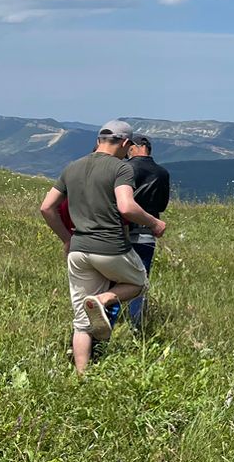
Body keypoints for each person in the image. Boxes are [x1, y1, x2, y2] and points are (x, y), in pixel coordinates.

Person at [39, 120, 168, 371]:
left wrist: (66, 238)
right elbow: (127, 207)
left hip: (77, 250)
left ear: (98, 140)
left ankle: (81, 376)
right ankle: (104, 299)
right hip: (110, 247)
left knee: (81, 321)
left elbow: (46, 208)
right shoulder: (121, 169)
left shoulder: (72, 167)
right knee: (139, 283)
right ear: (126, 144)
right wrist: (154, 223)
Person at [125, 135, 171, 328]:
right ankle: (136, 324)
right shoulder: (162, 173)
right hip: (147, 234)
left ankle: (108, 315)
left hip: (123, 230)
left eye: (129, 148)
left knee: (114, 279)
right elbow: (162, 204)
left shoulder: (126, 169)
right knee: (140, 280)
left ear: (137, 148)